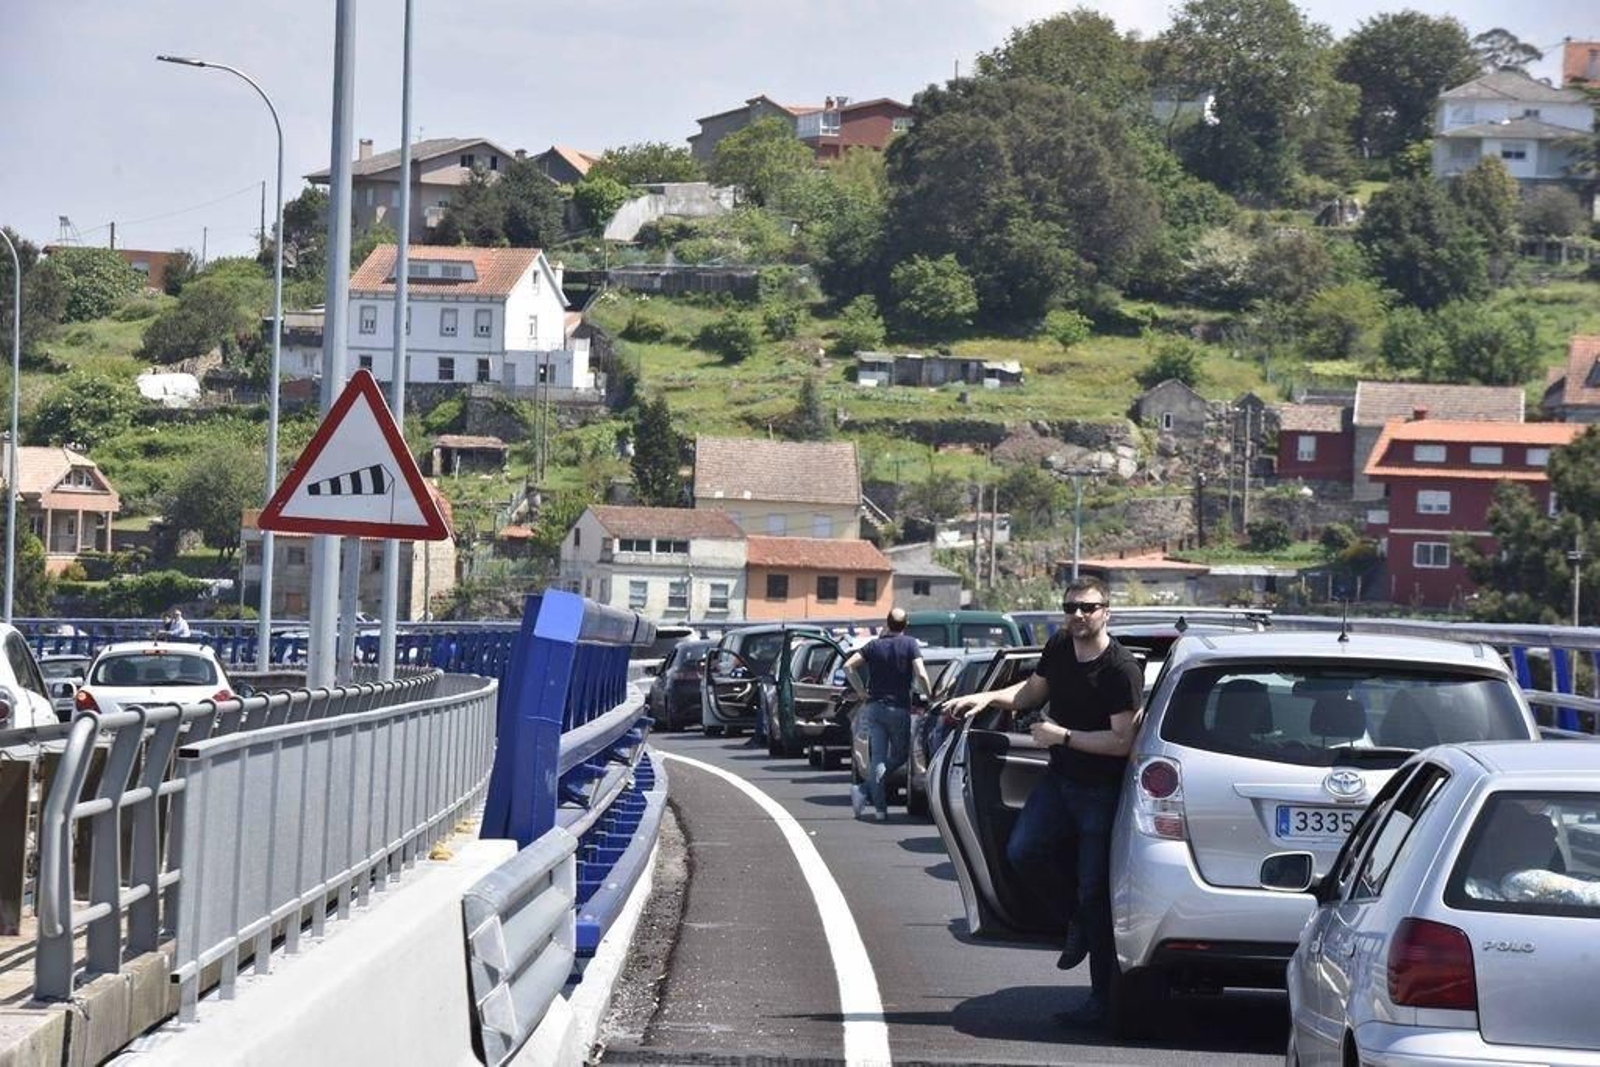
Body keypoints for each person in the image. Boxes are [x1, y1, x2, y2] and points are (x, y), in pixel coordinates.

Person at [945, 577, 1142, 1028]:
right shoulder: (1059, 646)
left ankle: (1101, 1001)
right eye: (1071, 608)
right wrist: (984, 697)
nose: (1078, 616)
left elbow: (1121, 743)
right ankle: (1074, 922)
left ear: (1106, 612)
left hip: (1101, 792)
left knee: (1096, 895)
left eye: (1088, 608)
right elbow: (1031, 693)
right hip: (1060, 780)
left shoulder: (1121, 669)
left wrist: (1062, 736)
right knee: (1023, 851)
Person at [843, 607, 932, 822]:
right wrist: (930, 695)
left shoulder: (874, 645)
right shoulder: (909, 644)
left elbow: (848, 666)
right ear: (906, 624)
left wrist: (861, 691)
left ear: (887, 623)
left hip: (874, 707)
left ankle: (879, 808)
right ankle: (864, 790)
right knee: (900, 756)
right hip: (899, 708)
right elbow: (921, 673)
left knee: (877, 759)